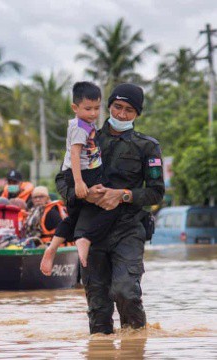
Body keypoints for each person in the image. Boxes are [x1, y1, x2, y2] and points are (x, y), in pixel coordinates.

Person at [50, 83, 165, 335]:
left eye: (129, 110)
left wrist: (123, 195)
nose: (122, 115)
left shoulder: (147, 146)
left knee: (126, 291)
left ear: (137, 114)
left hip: (128, 229)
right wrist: (83, 194)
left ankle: (134, 345)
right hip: (92, 231)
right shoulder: (86, 136)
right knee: (98, 308)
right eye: (117, 107)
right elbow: (63, 178)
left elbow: (156, 192)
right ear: (109, 107)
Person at [41, 81, 121, 268]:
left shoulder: (86, 124)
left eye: (96, 108)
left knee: (73, 217)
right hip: (83, 175)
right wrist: (78, 182)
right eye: (88, 109)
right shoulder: (79, 127)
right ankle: (84, 239)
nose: (93, 113)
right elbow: (75, 154)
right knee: (110, 204)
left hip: (85, 172)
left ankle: (52, 247)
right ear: (75, 108)